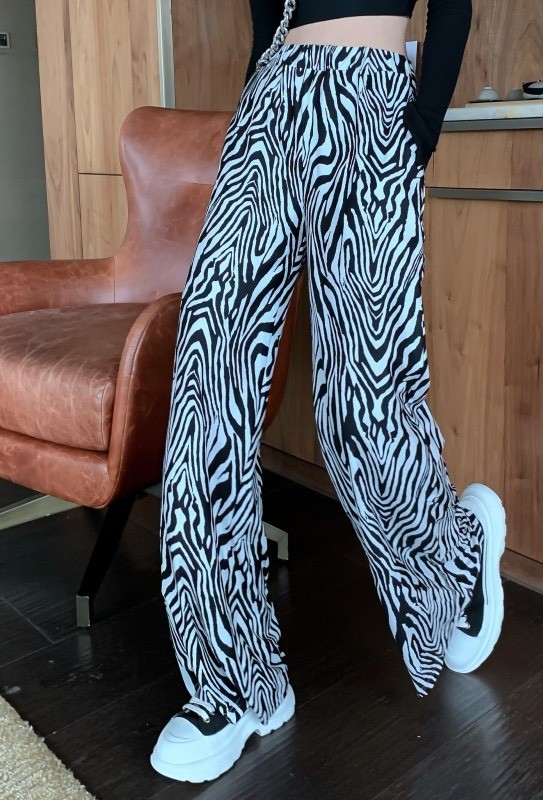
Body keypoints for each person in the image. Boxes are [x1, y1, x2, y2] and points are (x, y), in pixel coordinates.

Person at [150, 0, 507, 783]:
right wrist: (257, 102)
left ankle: (455, 555)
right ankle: (234, 680)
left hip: (369, 102)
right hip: (267, 112)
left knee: (362, 411)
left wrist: (420, 130)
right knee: (207, 377)